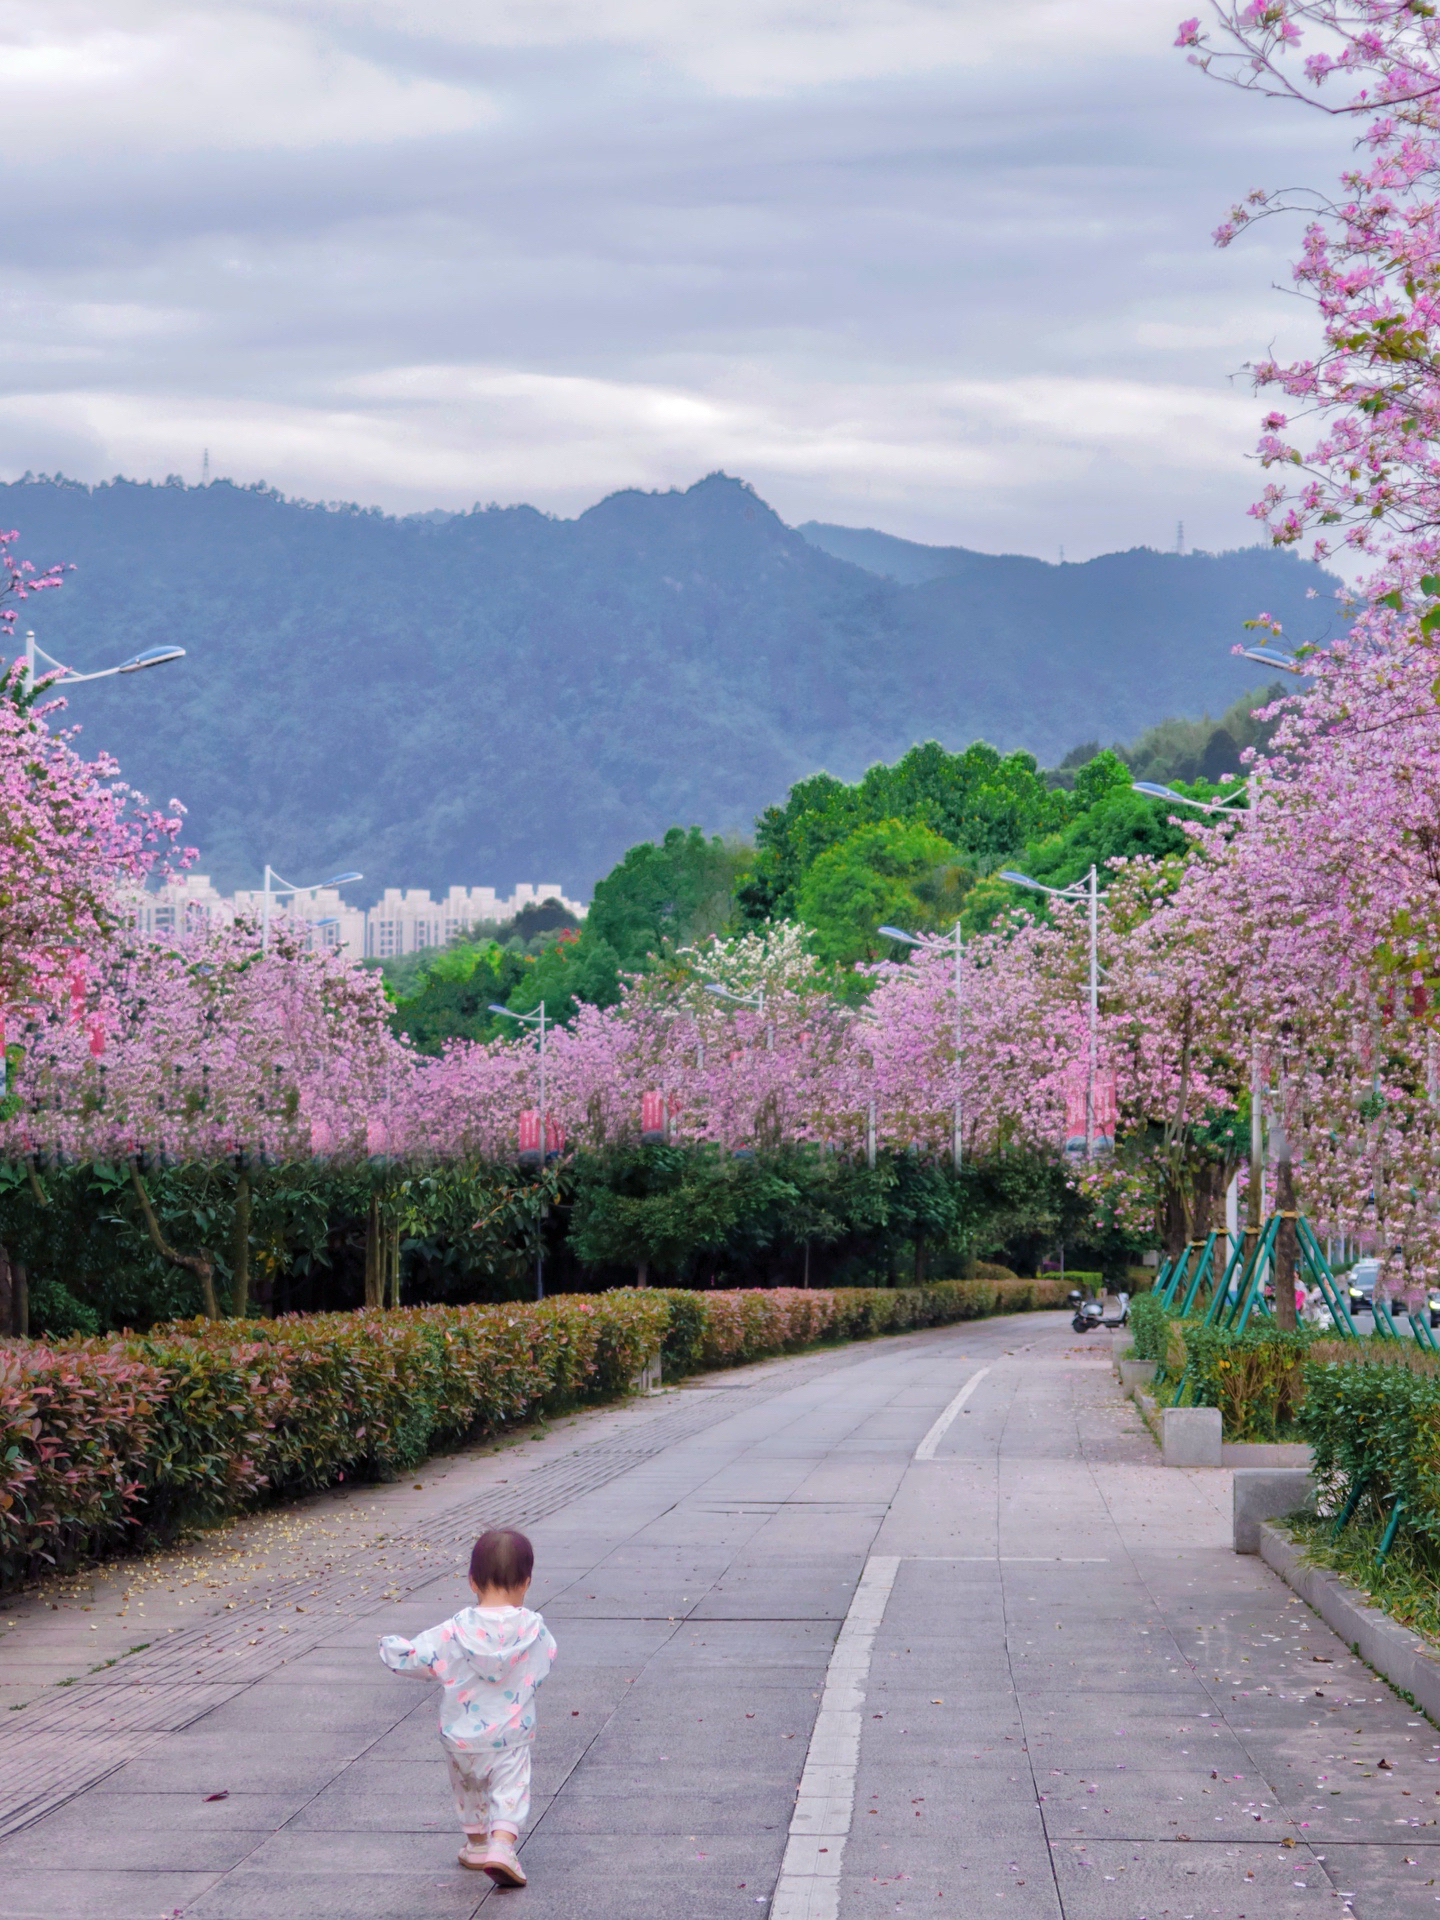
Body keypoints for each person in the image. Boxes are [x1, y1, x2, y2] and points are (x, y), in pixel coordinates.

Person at [379, 1526, 556, 1886]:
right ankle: (501, 1846)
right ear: (526, 1582)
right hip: (510, 1734)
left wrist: (391, 1647)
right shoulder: (534, 1630)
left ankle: (476, 1845)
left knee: (468, 1789)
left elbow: (417, 1658)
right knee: (510, 1789)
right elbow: (544, 1665)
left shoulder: (453, 1631)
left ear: (472, 1581)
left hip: (461, 1737)